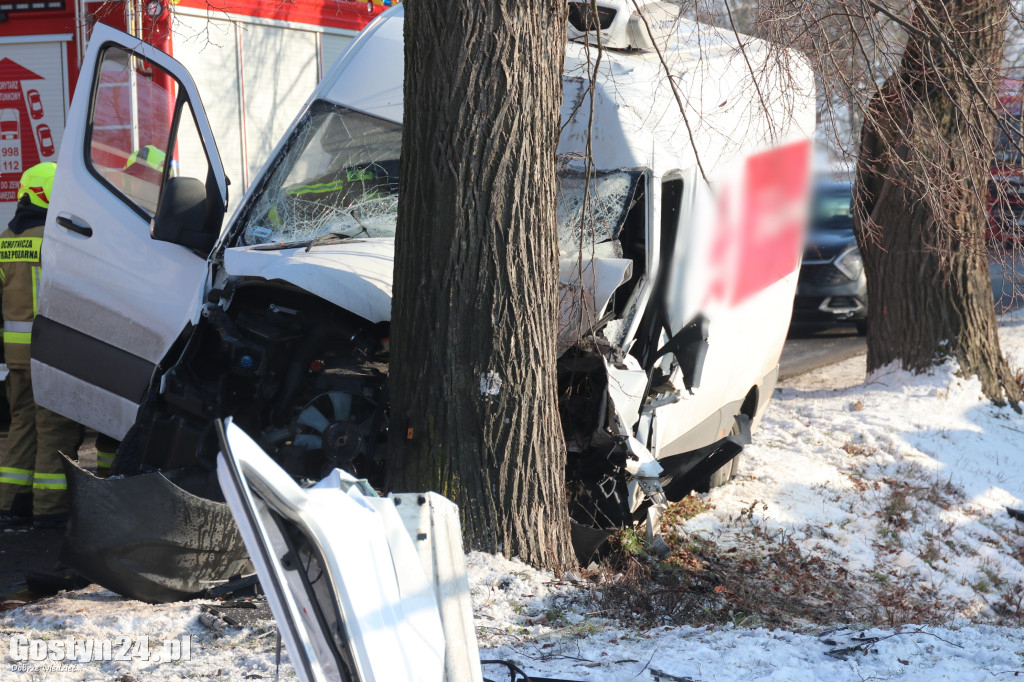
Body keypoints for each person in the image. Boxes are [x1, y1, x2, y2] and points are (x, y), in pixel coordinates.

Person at [0, 162, 83, 528]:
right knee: (56, 431)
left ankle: (11, 504)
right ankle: (50, 513)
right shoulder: (55, 240)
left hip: (16, 357)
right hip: (49, 352)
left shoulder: (5, 239)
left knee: (22, 426)